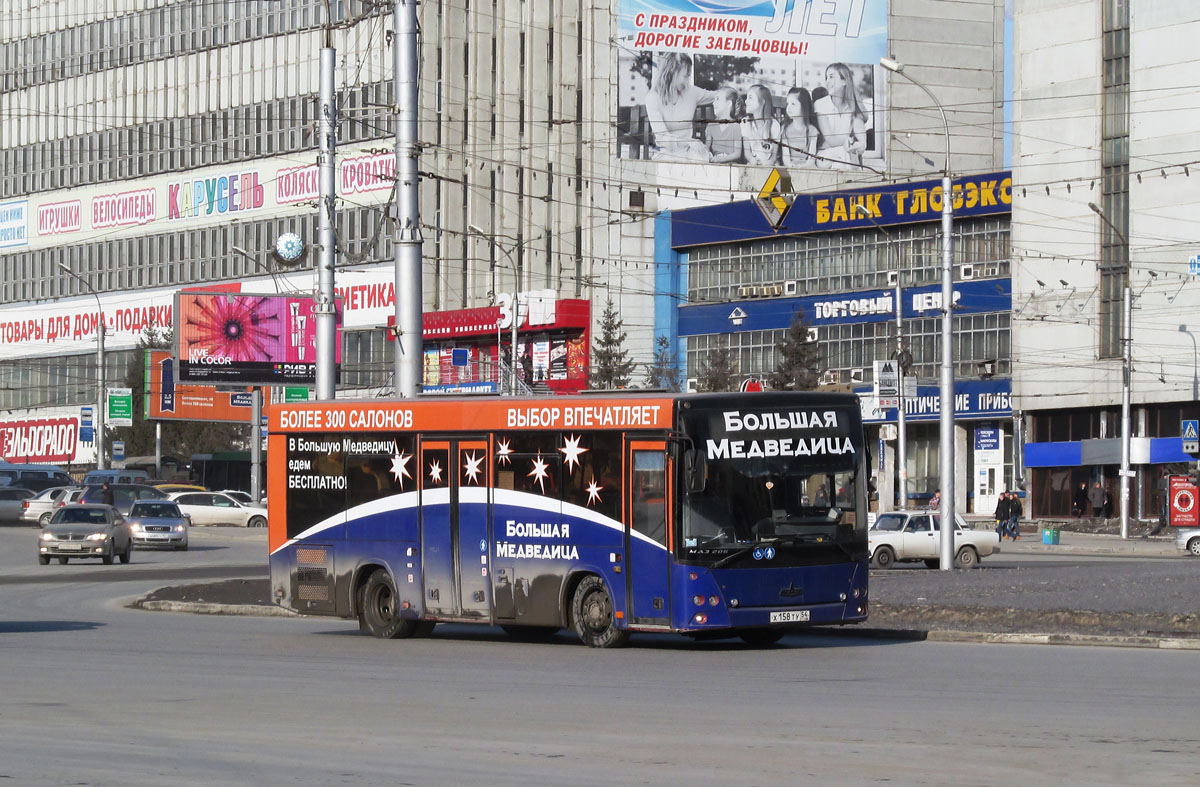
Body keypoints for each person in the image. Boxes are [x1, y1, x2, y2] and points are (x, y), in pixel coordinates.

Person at [642, 52, 717, 162]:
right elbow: (662, 137)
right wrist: (689, 141)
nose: (687, 82)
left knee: (702, 160)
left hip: (688, 151)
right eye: (685, 76)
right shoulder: (652, 98)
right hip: (665, 153)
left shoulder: (691, 92)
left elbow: (717, 95)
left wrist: (736, 95)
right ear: (673, 72)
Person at [813, 62, 867, 168]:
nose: (827, 81)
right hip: (824, 156)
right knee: (843, 154)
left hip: (844, 156)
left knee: (839, 163)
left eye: (831, 77)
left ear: (844, 81)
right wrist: (850, 140)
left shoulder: (853, 107)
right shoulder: (821, 104)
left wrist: (859, 146)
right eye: (826, 78)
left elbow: (862, 143)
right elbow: (830, 140)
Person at [740, 84, 780, 166]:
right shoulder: (745, 122)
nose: (746, 101)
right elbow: (747, 153)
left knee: (777, 172)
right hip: (752, 162)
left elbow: (774, 156)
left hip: (770, 163)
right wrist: (752, 160)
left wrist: (768, 163)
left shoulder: (774, 125)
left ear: (762, 102)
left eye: (750, 97)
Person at [779, 86, 819, 167]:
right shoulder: (785, 130)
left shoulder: (812, 130)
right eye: (788, 104)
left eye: (793, 104)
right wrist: (790, 165)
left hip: (808, 167)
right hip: (790, 167)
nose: (789, 108)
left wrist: (803, 166)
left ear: (804, 106)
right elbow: (785, 157)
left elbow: (812, 158)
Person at [704, 86, 743, 163]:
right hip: (715, 163)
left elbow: (737, 154)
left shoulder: (735, 126)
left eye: (717, 99)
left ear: (728, 104)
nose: (713, 103)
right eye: (714, 99)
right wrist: (709, 155)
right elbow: (707, 147)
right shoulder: (711, 125)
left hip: (731, 165)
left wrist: (722, 159)